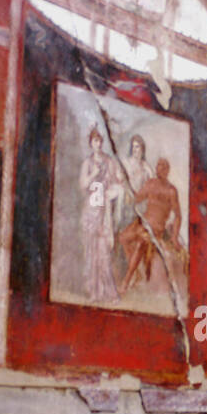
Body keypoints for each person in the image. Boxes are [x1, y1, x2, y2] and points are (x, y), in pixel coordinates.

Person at [119, 157, 184, 295]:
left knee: (141, 242)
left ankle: (127, 279)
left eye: (163, 166)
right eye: (158, 165)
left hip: (156, 228)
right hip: (142, 222)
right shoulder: (150, 184)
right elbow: (137, 198)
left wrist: (174, 237)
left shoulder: (171, 191)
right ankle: (136, 272)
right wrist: (126, 185)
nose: (159, 168)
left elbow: (178, 215)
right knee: (123, 238)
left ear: (167, 170)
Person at [78, 126, 122, 303]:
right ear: (90, 144)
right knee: (91, 253)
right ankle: (94, 292)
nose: (97, 144)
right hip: (91, 212)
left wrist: (117, 184)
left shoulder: (109, 162)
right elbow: (82, 185)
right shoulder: (87, 163)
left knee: (104, 252)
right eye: (94, 141)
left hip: (104, 212)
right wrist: (93, 175)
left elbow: (117, 181)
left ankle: (109, 293)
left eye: (99, 141)